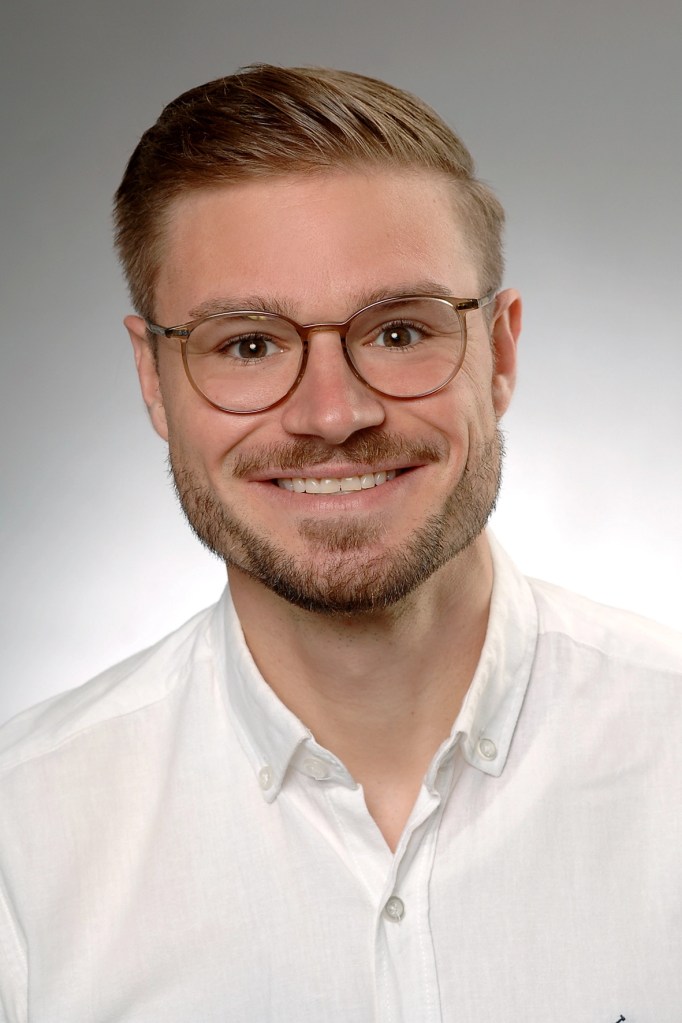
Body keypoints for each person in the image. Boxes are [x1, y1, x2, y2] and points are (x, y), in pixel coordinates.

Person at [0, 65, 680, 1023]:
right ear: (154, 380)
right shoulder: (21, 846)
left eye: (399, 332)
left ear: (500, 354)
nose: (333, 414)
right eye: (248, 345)